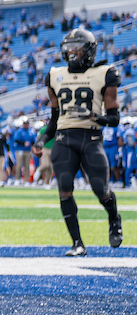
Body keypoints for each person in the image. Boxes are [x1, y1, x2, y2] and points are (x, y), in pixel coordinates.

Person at [41, 28, 123, 255]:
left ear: (89, 51)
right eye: (69, 48)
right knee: (65, 187)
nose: (72, 52)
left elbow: (115, 119)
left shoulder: (104, 73)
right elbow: (54, 119)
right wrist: (42, 139)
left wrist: (94, 116)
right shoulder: (55, 75)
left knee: (101, 189)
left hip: (91, 137)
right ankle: (77, 243)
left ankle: (114, 218)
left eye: (77, 48)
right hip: (64, 139)